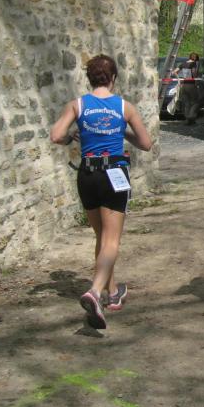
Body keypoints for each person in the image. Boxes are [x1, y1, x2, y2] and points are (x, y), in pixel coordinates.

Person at [50, 54, 153, 329]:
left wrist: (72, 136)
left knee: (102, 237)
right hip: (113, 173)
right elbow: (146, 143)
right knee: (111, 240)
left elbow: (56, 135)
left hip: (87, 174)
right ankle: (95, 292)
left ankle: (113, 291)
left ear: (89, 78)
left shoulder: (78, 105)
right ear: (113, 78)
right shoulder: (124, 107)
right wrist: (122, 132)